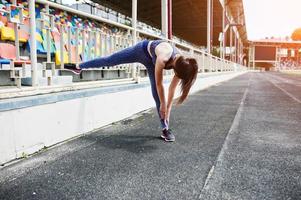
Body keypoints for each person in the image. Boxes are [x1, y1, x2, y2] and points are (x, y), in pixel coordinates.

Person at [66, 40, 198, 142]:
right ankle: (79, 66)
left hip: (153, 61)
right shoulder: (164, 57)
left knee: (157, 96)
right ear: (175, 67)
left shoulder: (182, 65)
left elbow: (171, 89)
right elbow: (160, 84)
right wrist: (163, 105)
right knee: (110, 60)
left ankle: (165, 128)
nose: (177, 77)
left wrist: (167, 109)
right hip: (141, 50)